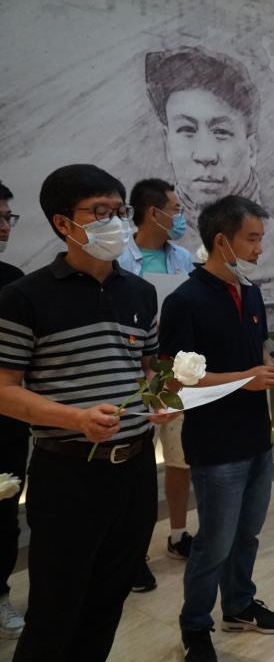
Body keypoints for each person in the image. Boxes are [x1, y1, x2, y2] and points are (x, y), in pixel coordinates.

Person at [0, 164, 176, 661]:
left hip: (136, 469)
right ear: (62, 222)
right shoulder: (23, 298)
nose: (114, 222)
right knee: (55, 610)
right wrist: (74, 418)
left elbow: (148, 372)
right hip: (68, 472)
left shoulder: (140, 292)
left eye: (119, 211)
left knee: (108, 600)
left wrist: (160, 400)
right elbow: (4, 391)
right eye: (99, 212)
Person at [160, 195, 274, 661]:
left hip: (256, 435)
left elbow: (255, 352)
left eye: (261, 238)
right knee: (213, 542)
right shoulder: (184, 302)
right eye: (252, 239)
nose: (259, 249)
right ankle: (195, 625)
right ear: (222, 241)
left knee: (248, 533)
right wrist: (244, 379)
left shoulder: (249, 292)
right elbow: (175, 380)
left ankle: (238, 605)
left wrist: (270, 368)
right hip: (215, 443)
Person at [145, 45, 274, 300]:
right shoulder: (142, 249)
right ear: (166, 143)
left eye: (221, 132)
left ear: (251, 149)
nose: (205, 154)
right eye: (187, 130)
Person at [117, 178, 196, 594]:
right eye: (175, 209)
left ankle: (178, 533)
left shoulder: (183, 257)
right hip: (130, 372)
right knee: (133, 463)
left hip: (175, 370)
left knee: (180, 457)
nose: (180, 217)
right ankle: (132, 554)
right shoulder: (120, 258)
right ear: (153, 213)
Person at [0, 181, 29, 640]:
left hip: (5, 420)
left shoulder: (12, 281)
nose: (4, 227)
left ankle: (1, 593)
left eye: (8, 218)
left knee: (5, 511)